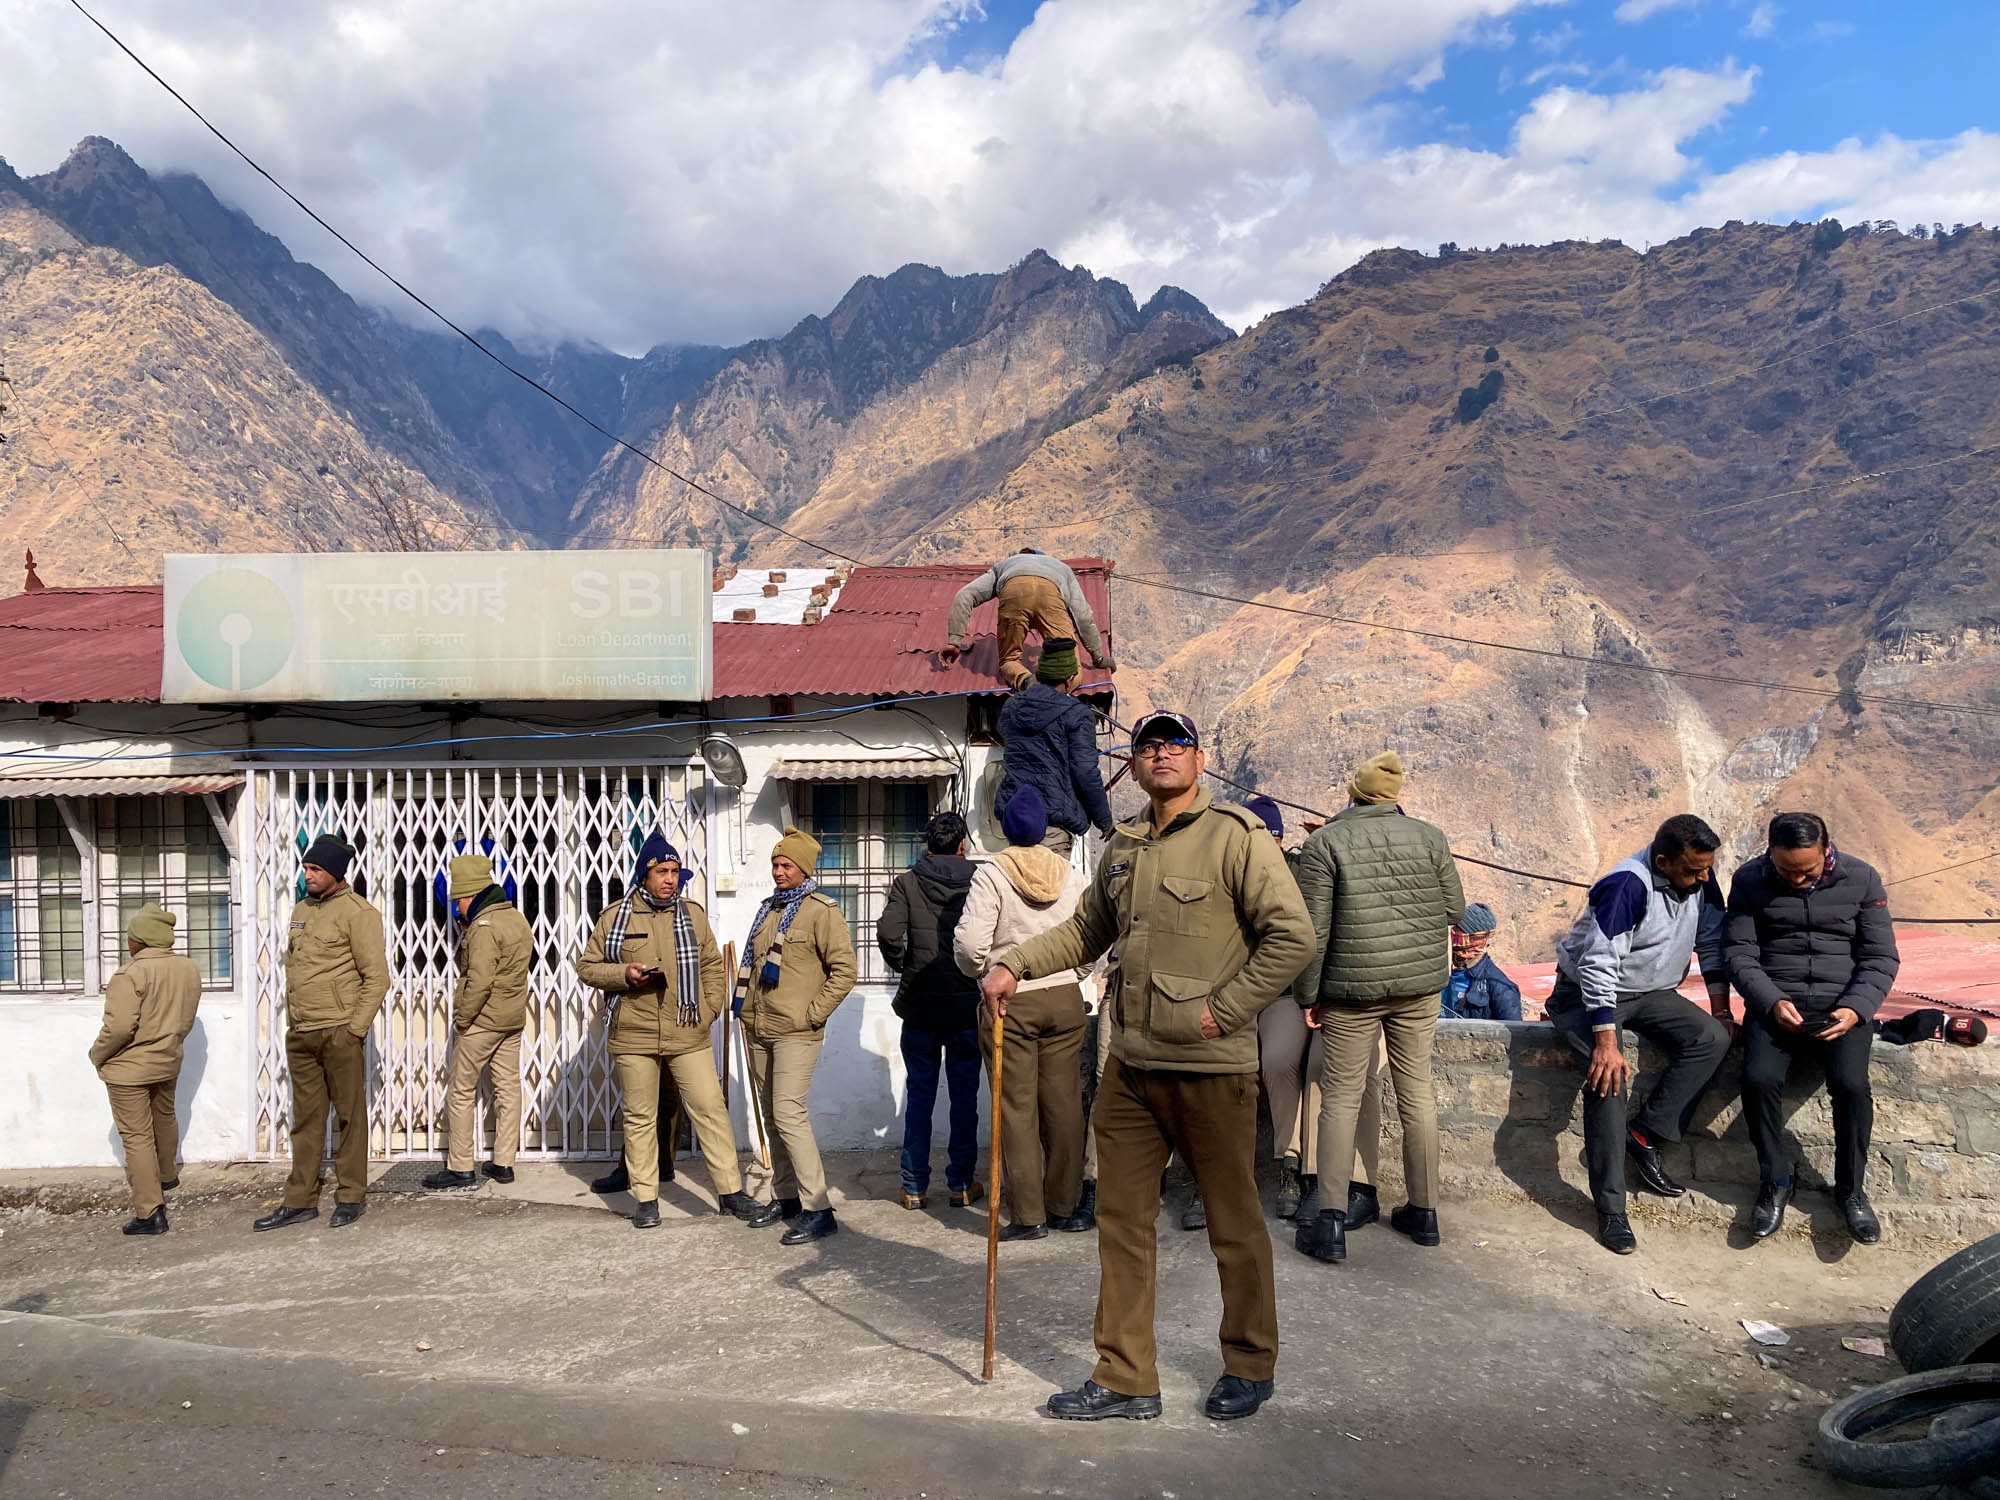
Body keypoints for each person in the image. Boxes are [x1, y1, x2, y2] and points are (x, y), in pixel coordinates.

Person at [983, 710, 1314, 1425]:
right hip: (1130, 1069)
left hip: (1210, 1066)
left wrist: (1225, 1012)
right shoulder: (1124, 844)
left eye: (1176, 744)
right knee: (1121, 1222)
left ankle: (1251, 1365)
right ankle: (1127, 1376)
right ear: (1132, 762)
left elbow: (1293, 937)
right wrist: (1014, 961)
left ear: (1199, 760)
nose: (1161, 753)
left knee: (1233, 1223)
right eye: (1148, 744)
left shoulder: (1237, 838)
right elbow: (1083, 931)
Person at [1293, 751, 1465, 1265]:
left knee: (1341, 1098)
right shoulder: (1430, 837)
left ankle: (1330, 1223)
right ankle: (1424, 1213)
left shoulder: (1325, 843)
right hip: (1418, 988)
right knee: (1418, 1093)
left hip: (1350, 991)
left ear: (1353, 792)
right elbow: (1455, 908)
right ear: (1393, 796)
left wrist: (1309, 995)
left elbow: (1313, 932)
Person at [1546, 814, 1733, 1256]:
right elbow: (1597, 963)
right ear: (1664, 861)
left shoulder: (1702, 880)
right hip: (1585, 994)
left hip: (1650, 991)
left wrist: (1722, 1010)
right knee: (1609, 1081)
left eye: (1707, 868)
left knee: (1711, 1038)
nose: (1703, 877)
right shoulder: (1628, 885)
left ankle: (1646, 1133)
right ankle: (1611, 1209)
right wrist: (1606, 1042)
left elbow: (1711, 943)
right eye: (1692, 870)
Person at [1726, 812, 1900, 1244]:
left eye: (1808, 870)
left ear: (1827, 850)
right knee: (1758, 1078)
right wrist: (1771, 1000)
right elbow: (1740, 952)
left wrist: (1856, 1009)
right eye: (1787, 871)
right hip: (1776, 1005)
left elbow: (1880, 957)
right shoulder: (1749, 880)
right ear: (1770, 855)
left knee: (1851, 1086)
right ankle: (1775, 1181)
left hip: (1842, 1006)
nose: (1798, 880)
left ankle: (1851, 1190)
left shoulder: (1862, 879)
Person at [576, 835, 758, 1227]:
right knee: (640, 1116)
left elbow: (710, 964)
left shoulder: (692, 913)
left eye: (675, 872)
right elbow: (587, 966)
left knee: (710, 1109)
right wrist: (623, 973)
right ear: (646, 874)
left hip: (687, 1029)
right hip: (634, 1033)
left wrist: (709, 1009)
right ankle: (645, 1199)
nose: (670, 879)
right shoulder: (615, 916)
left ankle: (730, 1192)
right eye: (662, 872)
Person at [956, 785, 1092, 1239]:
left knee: (1015, 1108)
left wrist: (983, 973)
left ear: (1004, 829)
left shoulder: (992, 873)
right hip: (1065, 997)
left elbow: (972, 944)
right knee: (1064, 1104)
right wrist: (1079, 971)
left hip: (1009, 1001)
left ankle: (1029, 1214)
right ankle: (1065, 1206)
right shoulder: (1070, 874)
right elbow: (1093, 931)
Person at [255, 835, 388, 1232]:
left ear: (335, 873)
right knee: (306, 1119)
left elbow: (377, 978)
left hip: (338, 1030)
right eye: (306, 868)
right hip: (303, 1031)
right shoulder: (301, 909)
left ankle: (350, 1195)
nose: (307, 875)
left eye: (315, 870)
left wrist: (354, 1030)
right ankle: (300, 1200)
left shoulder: (358, 913)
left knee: (349, 1117)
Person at [736, 828, 858, 1244]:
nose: (778, 871)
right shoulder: (769, 909)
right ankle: (786, 1196)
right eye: (775, 863)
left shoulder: (821, 911)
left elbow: (845, 971)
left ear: (804, 867)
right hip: (760, 1026)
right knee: (771, 1115)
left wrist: (812, 1015)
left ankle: (818, 1208)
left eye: (786, 864)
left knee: (789, 1114)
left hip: (796, 1032)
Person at [879, 811, 986, 1212]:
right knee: (964, 1096)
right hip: (965, 1004)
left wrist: (904, 964)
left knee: (920, 1094)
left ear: (928, 843)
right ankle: (960, 1183)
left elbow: (888, 933)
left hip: (921, 1004)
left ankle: (913, 1186)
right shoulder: (981, 880)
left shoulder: (907, 882)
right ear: (962, 845)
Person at [88, 905, 202, 1236]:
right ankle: (166, 1176)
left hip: (129, 1069)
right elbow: (186, 1019)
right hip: (168, 1059)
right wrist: (170, 1042)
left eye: (131, 936)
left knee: (136, 1136)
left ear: (139, 940)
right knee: (164, 1118)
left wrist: (98, 1054)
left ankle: (150, 1211)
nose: (128, 941)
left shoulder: (131, 974)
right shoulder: (188, 969)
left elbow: (120, 1027)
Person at [424, 855, 531, 1191]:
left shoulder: (485, 928)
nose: (456, 908)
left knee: (461, 1091)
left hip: (483, 1021)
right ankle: (503, 1162)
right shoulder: (516, 919)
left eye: (458, 901)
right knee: (508, 1087)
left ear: (469, 895)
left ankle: (460, 1166)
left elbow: (480, 980)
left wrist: (462, 1018)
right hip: (512, 1019)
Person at [1245, 794, 1316, 1222]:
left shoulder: (1297, 874)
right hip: (1229, 996)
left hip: (1282, 995)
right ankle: (1207, 1177)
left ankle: (1289, 1166)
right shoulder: (1225, 870)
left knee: (1278, 1061)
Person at [994, 637, 1115, 855]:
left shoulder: (1011, 708)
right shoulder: (1076, 714)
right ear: (1070, 679)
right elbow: (1085, 771)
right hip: (1052, 825)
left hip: (1015, 823)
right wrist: (1104, 821)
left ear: (1040, 673)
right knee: (1048, 887)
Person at [940, 550, 1116, 691]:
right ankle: (1058, 692)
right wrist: (1098, 657)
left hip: (1013, 589)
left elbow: (965, 595)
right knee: (1070, 663)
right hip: (1051, 593)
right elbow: (1083, 616)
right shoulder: (1061, 567)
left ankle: (1027, 681)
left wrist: (954, 642)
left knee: (1009, 661)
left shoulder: (1003, 565)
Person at [1439, 904, 1522, 1021]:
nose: (1453, 933)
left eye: (1459, 930)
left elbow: (1515, 1033)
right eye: (1454, 928)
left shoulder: (1500, 987)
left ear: (1476, 939)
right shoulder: (1438, 969)